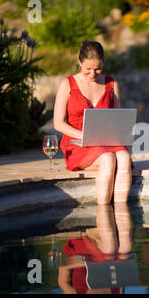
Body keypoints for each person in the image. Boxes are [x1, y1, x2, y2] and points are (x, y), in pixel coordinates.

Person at [53, 40, 132, 204]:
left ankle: (122, 216)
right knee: (108, 159)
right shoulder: (67, 84)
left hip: (105, 140)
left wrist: (121, 132)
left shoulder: (111, 83)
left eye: (98, 68)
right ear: (79, 62)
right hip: (78, 142)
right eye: (87, 69)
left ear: (103, 63)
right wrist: (85, 135)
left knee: (124, 157)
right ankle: (104, 214)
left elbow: (118, 118)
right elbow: (58, 123)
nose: (92, 73)